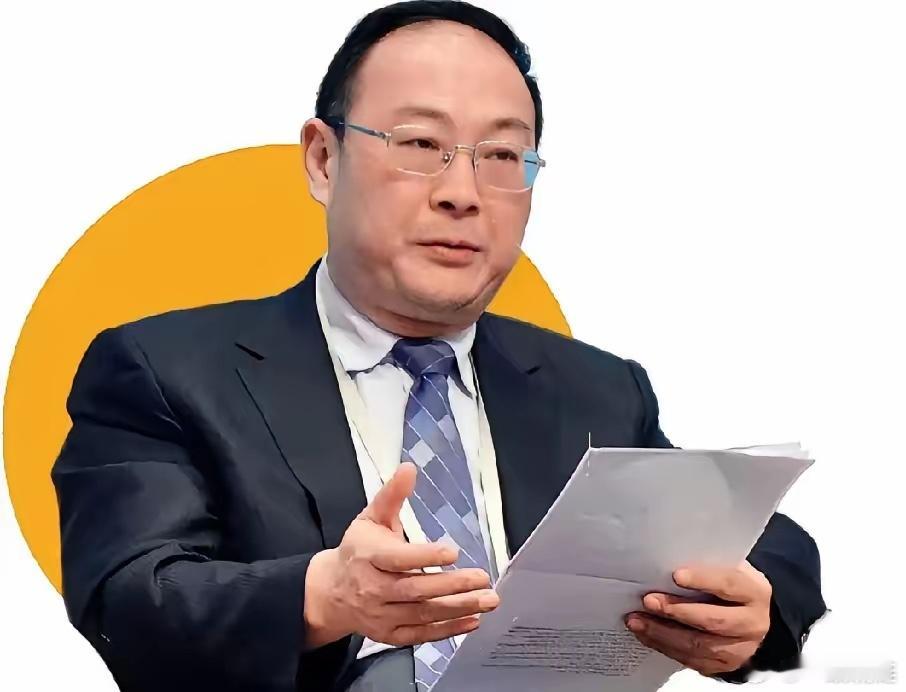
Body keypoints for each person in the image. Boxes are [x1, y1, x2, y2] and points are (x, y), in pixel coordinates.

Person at [51, 2, 827, 690]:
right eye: (421, 143)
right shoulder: (166, 371)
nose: (462, 193)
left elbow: (767, 544)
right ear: (323, 160)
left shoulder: (594, 389)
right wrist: (325, 597)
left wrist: (752, 610)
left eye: (502, 157)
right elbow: (128, 600)